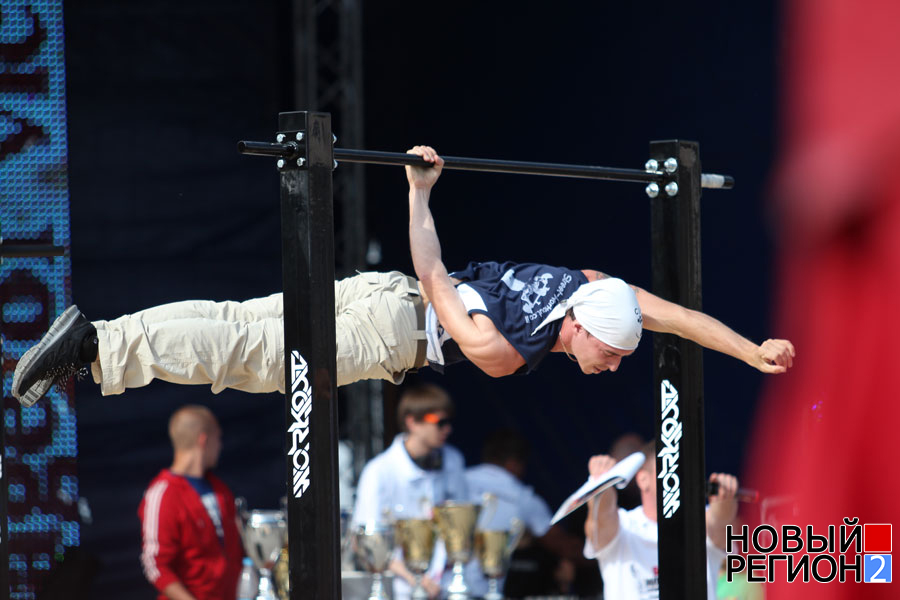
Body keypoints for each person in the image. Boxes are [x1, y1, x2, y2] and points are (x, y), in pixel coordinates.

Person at [12, 146, 795, 407]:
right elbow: (431, 276)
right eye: (615, 354)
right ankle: (100, 355)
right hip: (394, 322)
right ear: (585, 331)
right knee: (244, 357)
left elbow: (680, 318)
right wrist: (420, 193)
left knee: (237, 322)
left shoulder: (587, 283)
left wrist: (752, 348)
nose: (617, 364)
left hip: (375, 294)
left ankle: (102, 337)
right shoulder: (504, 349)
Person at [351, 384, 468, 600]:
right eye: (440, 422)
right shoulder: (379, 471)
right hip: (398, 592)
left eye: (448, 422)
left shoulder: (453, 460)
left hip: (446, 588)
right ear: (412, 422)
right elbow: (364, 540)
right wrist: (416, 579)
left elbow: (460, 531)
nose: (447, 429)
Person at [582, 443, 737, 600]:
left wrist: (724, 497)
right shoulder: (624, 526)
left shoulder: (698, 522)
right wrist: (602, 483)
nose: (678, 477)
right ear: (643, 479)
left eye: (684, 470)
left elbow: (719, 520)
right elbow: (602, 516)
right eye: (669, 468)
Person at [464, 429, 587, 598]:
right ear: (514, 464)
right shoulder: (523, 498)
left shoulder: (458, 481)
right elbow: (562, 545)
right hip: (484, 591)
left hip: (437, 585)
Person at [138, 405, 243, 600]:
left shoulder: (221, 490)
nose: (220, 446)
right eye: (218, 438)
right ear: (204, 440)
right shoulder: (162, 493)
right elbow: (155, 564)